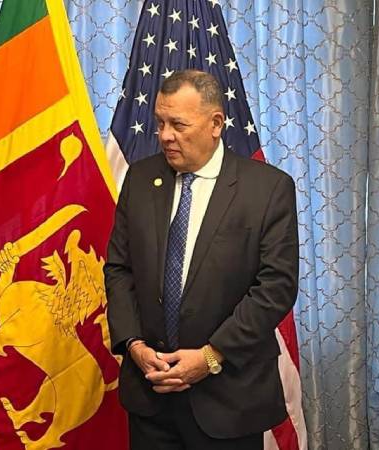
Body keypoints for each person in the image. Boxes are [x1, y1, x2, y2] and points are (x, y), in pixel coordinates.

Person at [104, 70, 299, 450]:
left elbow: (276, 287)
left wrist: (211, 356)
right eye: (160, 122)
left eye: (178, 124)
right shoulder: (141, 179)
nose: (165, 135)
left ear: (215, 124)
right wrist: (134, 344)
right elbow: (119, 269)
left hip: (229, 399)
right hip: (151, 397)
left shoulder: (268, 188)